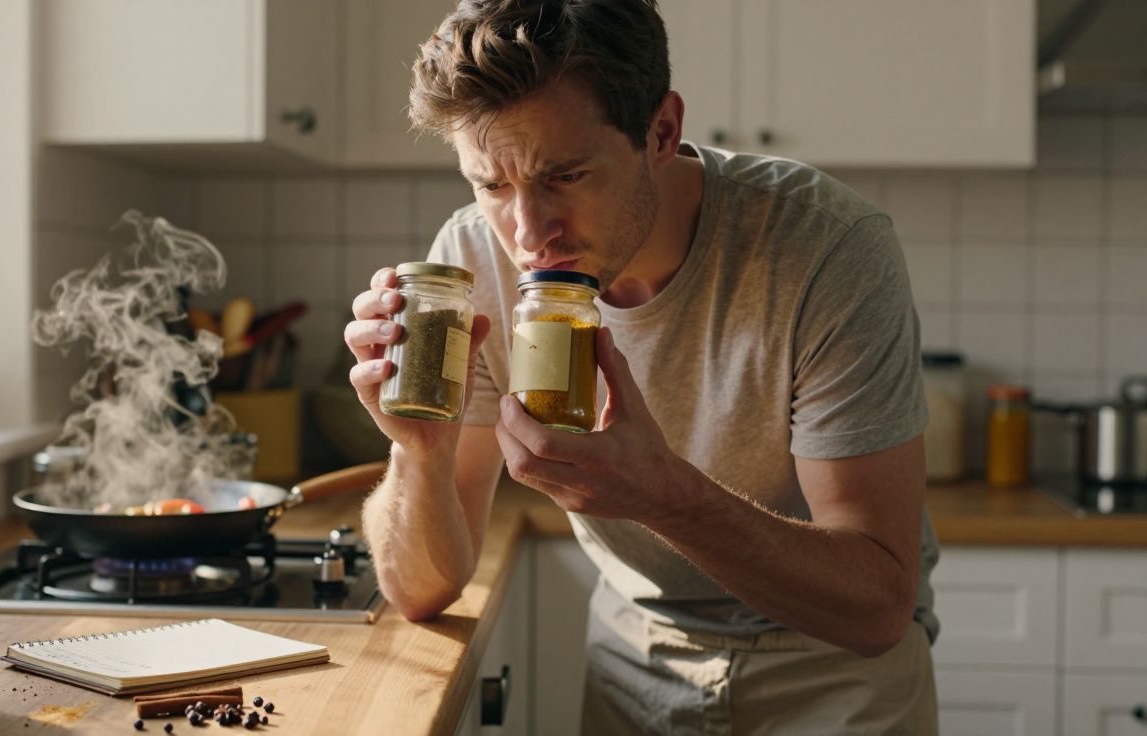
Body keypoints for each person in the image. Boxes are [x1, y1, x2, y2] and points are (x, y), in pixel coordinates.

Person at [342, 0, 939, 732]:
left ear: (661, 131)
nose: (528, 235)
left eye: (564, 175)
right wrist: (420, 455)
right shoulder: (469, 257)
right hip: (635, 661)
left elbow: (878, 607)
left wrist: (663, 494)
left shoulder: (825, 248)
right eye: (491, 185)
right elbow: (419, 593)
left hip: (834, 672)